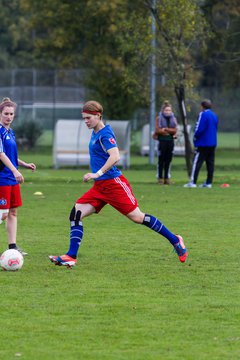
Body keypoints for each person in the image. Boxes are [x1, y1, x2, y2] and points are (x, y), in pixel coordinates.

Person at [49, 100, 188, 268]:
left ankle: (176, 241)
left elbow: (115, 156)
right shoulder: (95, 132)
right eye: (84, 118)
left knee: (138, 217)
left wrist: (97, 173)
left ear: (98, 115)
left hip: (114, 184)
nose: (86, 121)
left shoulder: (105, 134)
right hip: (100, 187)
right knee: (76, 214)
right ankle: (71, 256)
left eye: (88, 118)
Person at [0, 97, 36, 255]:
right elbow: (1, 154)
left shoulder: (11, 132)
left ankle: (13, 247)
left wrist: (23, 164)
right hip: (2, 178)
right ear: (0, 114)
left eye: (11, 114)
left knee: (13, 212)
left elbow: (11, 156)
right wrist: (15, 171)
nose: (9, 116)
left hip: (12, 179)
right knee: (3, 214)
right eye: (6, 113)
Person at [184, 99, 218, 188]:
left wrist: (195, 136)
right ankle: (209, 182)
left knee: (197, 162)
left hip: (203, 143)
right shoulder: (214, 115)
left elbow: (199, 128)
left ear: (202, 106)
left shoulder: (203, 114)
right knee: (210, 163)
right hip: (212, 142)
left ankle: (193, 182)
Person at [152, 100, 177, 185]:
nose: (168, 112)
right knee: (161, 160)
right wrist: (167, 132)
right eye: (166, 110)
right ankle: (160, 178)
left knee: (168, 160)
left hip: (170, 141)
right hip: (162, 142)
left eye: (169, 110)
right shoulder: (159, 118)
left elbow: (175, 130)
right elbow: (158, 130)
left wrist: (166, 129)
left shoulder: (173, 119)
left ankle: (167, 178)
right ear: (163, 110)